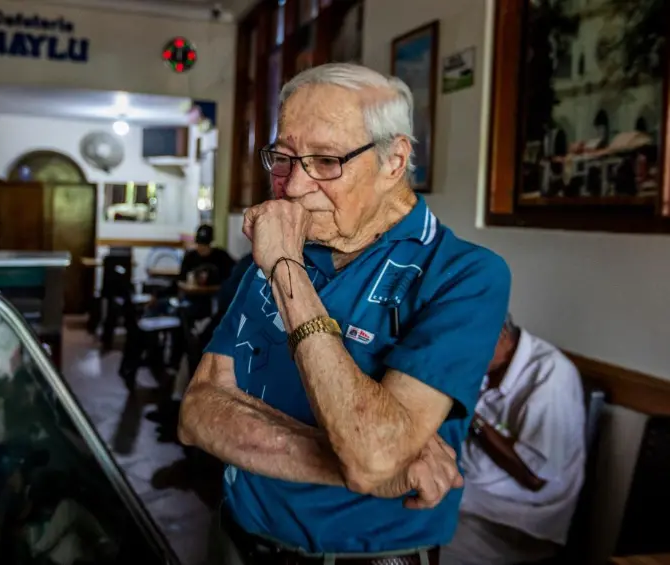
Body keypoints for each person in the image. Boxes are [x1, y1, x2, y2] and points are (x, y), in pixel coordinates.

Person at [179, 63, 511, 565]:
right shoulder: (281, 247)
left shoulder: (464, 274)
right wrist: (356, 465)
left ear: (394, 160)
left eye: (327, 161)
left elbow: (373, 456)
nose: (293, 187)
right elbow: (198, 412)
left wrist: (286, 271)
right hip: (235, 539)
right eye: (284, 158)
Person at [441, 316, 586, 565]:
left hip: (508, 524)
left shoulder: (550, 374)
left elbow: (534, 476)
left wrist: (474, 417)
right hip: (463, 501)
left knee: (414, 549)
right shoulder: (488, 365)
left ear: (499, 335)